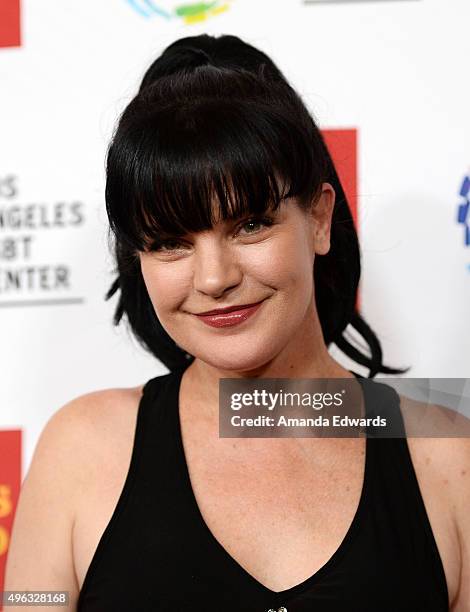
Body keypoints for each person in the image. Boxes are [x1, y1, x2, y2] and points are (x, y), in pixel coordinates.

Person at [4, 34, 469, 612]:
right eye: (172, 241)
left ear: (319, 220)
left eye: (249, 225)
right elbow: (28, 601)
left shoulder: (449, 451)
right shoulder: (80, 446)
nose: (214, 277)